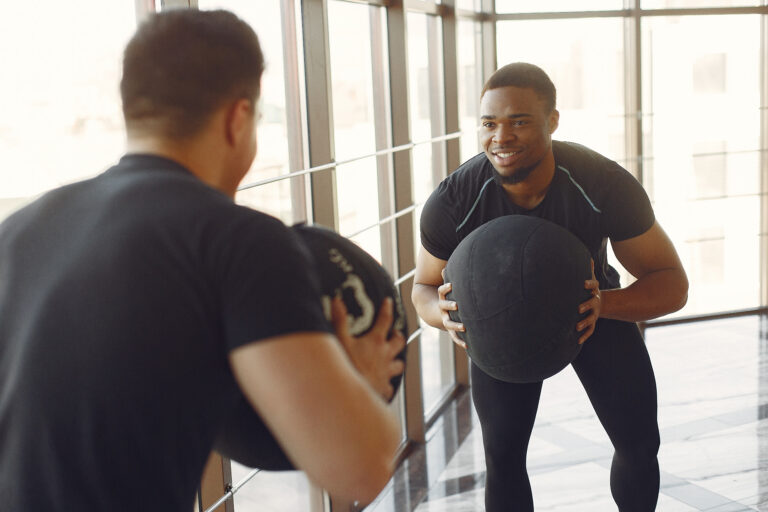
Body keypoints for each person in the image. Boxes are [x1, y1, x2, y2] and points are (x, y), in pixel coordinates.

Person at [0, 9, 405, 511]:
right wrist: (358, 385)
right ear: (238, 120)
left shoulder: (20, 231)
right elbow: (359, 470)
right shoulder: (239, 240)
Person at [412, 62, 688, 511]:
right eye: (489, 123)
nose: (500, 137)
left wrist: (604, 304)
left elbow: (673, 285)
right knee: (503, 460)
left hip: (591, 310)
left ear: (552, 121)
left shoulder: (602, 183)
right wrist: (440, 314)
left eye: (518, 121)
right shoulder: (455, 199)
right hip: (499, 325)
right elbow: (423, 288)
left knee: (639, 444)